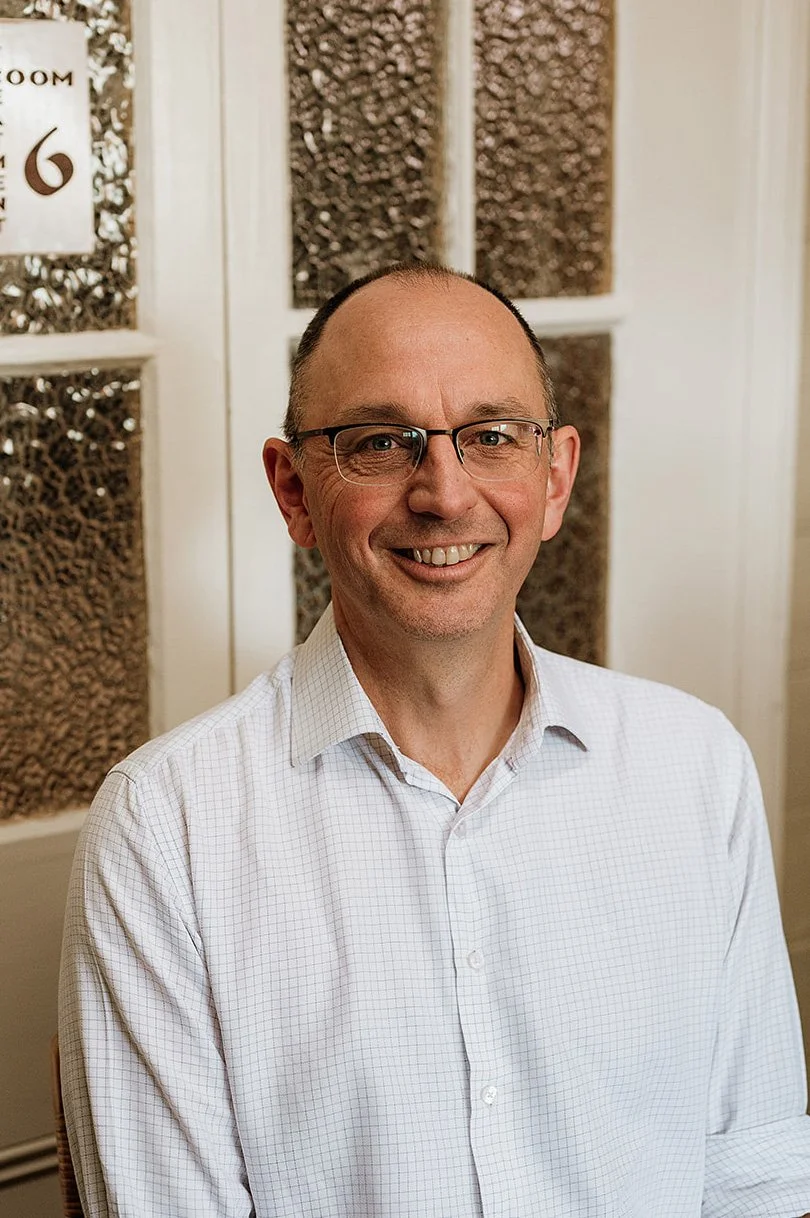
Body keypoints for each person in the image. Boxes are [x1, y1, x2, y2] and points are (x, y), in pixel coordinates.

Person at [59, 263, 810, 1217]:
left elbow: (758, 1178)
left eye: (491, 437)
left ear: (555, 477)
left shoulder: (696, 769)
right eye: (381, 443)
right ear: (294, 491)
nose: (445, 494)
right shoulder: (165, 829)